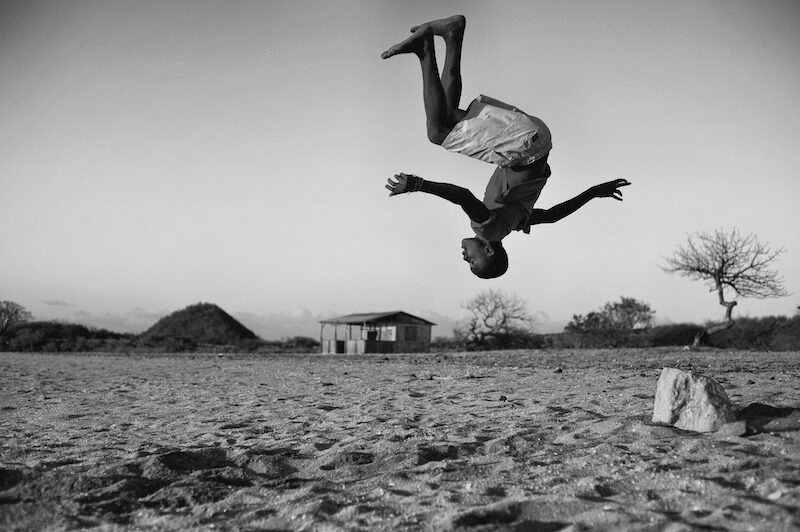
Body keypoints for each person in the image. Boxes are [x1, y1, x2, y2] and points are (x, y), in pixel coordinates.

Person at [381, 15, 630, 278]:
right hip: (523, 150)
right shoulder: (487, 230)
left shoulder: (514, 222)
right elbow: (464, 197)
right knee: (436, 132)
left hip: (534, 142)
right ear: (489, 252)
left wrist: (594, 192)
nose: (466, 259)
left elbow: (555, 215)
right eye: (473, 263)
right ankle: (424, 50)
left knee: (448, 115)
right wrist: (417, 185)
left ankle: (452, 34)